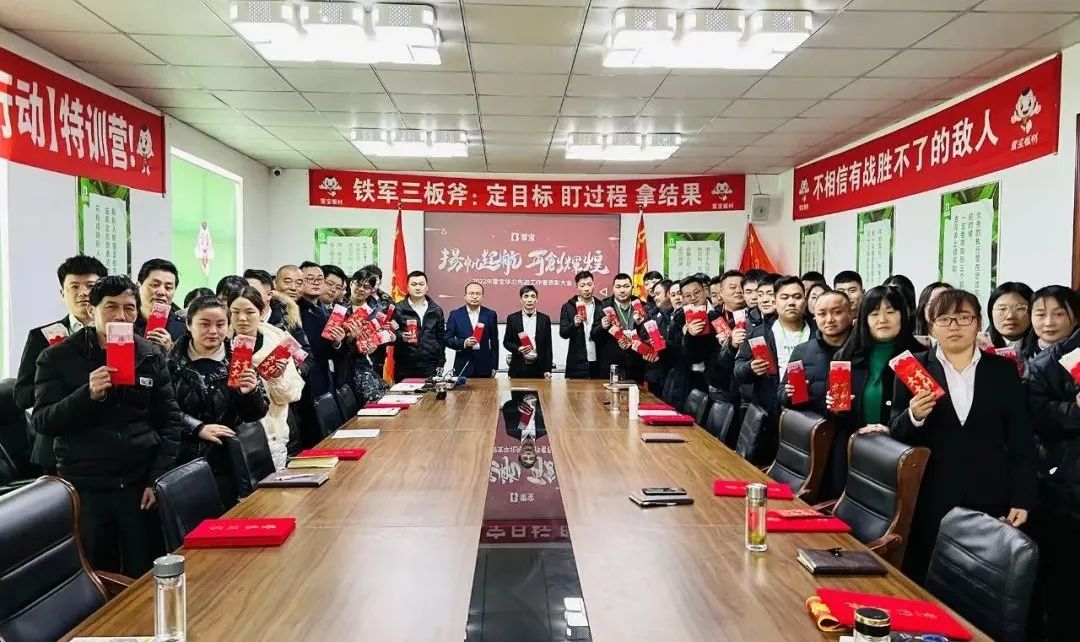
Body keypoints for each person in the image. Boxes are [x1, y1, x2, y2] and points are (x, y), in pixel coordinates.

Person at [32, 275, 182, 577]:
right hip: (87, 486)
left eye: (129, 308)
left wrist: (156, 478)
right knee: (97, 572)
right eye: (111, 307)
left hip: (139, 484)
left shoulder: (149, 354)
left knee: (144, 570)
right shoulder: (57, 357)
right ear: (92, 311)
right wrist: (86, 395)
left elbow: (170, 420)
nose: (121, 316)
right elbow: (43, 421)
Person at [889, 289, 1037, 584]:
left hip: (990, 494)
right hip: (931, 494)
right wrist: (914, 415)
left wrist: (1022, 498)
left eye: (963, 318)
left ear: (978, 322)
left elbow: (1021, 439)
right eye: (944, 319)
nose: (954, 326)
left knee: (983, 580)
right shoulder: (913, 368)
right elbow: (895, 429)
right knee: (928, 576)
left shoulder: (1002, 371)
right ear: (931, 326)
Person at [168, 296, 269, 508]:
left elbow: (255, 415)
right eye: (204, 324)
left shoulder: (239, 360)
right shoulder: (169, 363)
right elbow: (162, 409)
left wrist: (249, 392)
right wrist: (197, 428)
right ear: (189, 324)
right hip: (183, 462)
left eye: (220, 324)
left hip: (230, 461)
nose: (213, 331)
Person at [826, 286, 923, 500]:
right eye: (874, 313)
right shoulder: (846, 356)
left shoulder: (919, 358)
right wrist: (835, 407)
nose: (882, 319)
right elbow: (837, 418)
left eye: (890, 311)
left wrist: (892, 429)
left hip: (898, 457)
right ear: (864, 319)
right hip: (853, 455)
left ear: (903, 315)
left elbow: (928, 417)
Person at [15, 255, 107, 474]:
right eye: (74, 286)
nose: (83, 293)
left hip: (105, 446)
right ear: (62, 293)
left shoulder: (119, 336)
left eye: (90, 286)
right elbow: (22, 395)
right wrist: (62, 385)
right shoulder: (41, 337)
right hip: (56, 448)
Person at [1022, 310, 1080, 641]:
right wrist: (1075, 410)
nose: (1049, 321)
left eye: (1058, 313)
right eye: (1041, 313)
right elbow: (1034, 417)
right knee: (1063, 586)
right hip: (1064, 488)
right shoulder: (1051, 362)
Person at [735, 276, 811, 464]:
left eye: (797, 297)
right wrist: (750, 368)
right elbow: (738, 370)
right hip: (768, 415)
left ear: (805, 300)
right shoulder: (759, 333)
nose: (791, 302)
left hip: (806, 417)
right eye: (784, 297)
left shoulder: (817, 333)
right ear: (775, 302)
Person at [228, 287, 303, 470]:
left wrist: (276, 378)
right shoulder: (222, 345)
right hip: (232, 435)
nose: (242, 318)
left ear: (261, 312)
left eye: (249, 312)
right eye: (235, 312)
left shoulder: (278, 344)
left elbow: (292, 395)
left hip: (271, 434)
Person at [781, 289, 852, 417]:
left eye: (837, 312)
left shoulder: (862, 350)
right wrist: (789, 394)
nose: (829, 319)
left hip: (853, 427)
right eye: (822, 314)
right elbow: (781, 391)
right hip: (812, 425)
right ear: (815, 317)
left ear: (850, 314)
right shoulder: (802, 351)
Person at [393, 270, 446, 381]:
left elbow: (441, 338)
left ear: (427, 287)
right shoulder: (398, 309)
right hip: (405, 364)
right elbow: (390, 334)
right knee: (403, 392)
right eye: (414, 284)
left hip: (430, 364)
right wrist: (401, 336)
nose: (418, 288)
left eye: (421, 284)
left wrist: (441, 361)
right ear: (407, 287)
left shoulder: (436, 310)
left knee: (429, 392)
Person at [598, 273, 649, 382]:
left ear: (632, 287)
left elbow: (648, 335)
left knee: (636, 392)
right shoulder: (603, 306)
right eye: (618, 287)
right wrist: (602, 326)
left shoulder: (642, 306)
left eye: (626, 286)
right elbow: (594, 335)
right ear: (613, 288)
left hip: (636, 361)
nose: (622, 290)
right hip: (611, 362)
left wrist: (640, 324)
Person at [445, 282, 499, 378]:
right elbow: (447, 339)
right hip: (462, 366)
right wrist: (464, 343)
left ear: (483, 296)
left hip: (485, 367)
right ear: (465, 296)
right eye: (471, 293)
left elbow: (494, 342)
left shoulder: (490, 314)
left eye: (478, 294)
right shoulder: (455, 314)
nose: (475, 297)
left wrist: (494, 366)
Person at [559, 270, 605, 379]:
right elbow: (563, 333)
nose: (586, 288)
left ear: (594, 285)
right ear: (577, 287)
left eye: (589, 284)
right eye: (582, 285)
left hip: (598, 361)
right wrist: (574, 324)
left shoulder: (601, 306)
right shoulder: (568, 307)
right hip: (576, 361)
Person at [135, 258, 188, 351]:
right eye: (155, 285)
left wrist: (171, 350)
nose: (161, 292)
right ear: (138, 286)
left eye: (168, 287)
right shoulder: (127, 323)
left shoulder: (185, 329)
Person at [504, 285, 554, 379]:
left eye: (533, 296)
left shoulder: (544, 319)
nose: (529, 300)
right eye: (526, 296)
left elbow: (548, 346)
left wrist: (548, 369)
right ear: (521, 300)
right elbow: (506, 342)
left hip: (539, 368)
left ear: (537, 300)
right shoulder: (512, 318)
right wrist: (518, 348)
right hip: (518, 367)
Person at [988, 282, 1036, 358]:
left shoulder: (1046, 348)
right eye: (1002, 308)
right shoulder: (977, 348)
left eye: (1019, 308)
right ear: (990, 313)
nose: (1010, 316)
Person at [644, 279, 676, 393]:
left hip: (673, 374)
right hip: (655, 373)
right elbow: (646, 338)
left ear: (668, 294)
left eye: (658, 294)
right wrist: (647, 351)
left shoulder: (679, 315)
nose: (655, 298)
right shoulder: (653, 315)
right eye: (654, 295)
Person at [1030, 285, 1080, 357]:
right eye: (1041, 314)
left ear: (1076, 318)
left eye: (1059, 314)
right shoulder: (1021, 356)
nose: (1049, 323)